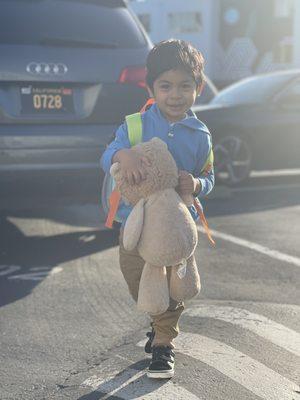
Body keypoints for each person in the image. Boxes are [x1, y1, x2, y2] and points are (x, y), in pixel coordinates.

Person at [100, 39, 214, 379]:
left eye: (185, 86)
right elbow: (107, 155)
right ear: (151, 87)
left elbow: (209, 177)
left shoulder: (201, 135)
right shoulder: (134, 125)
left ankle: (164, 343)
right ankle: (157, 321)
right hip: (134, 224)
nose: (175, 95)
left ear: (199, 88)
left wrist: (194, 185)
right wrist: (125, 155)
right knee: (137, 280)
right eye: (165, 86)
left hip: (177, 228)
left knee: (174, 285)